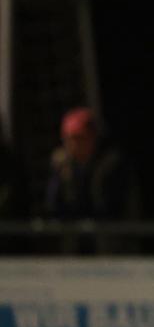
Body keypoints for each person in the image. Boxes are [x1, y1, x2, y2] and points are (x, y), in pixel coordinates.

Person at [46, 107, 139, 253]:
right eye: (69, 139)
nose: (74, 145)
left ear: (93, 137)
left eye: (80, 138)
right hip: (74, 248)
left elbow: (115, 209)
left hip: (110, 249)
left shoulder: (112, 165)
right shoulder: (62, 165)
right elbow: (54, 207)